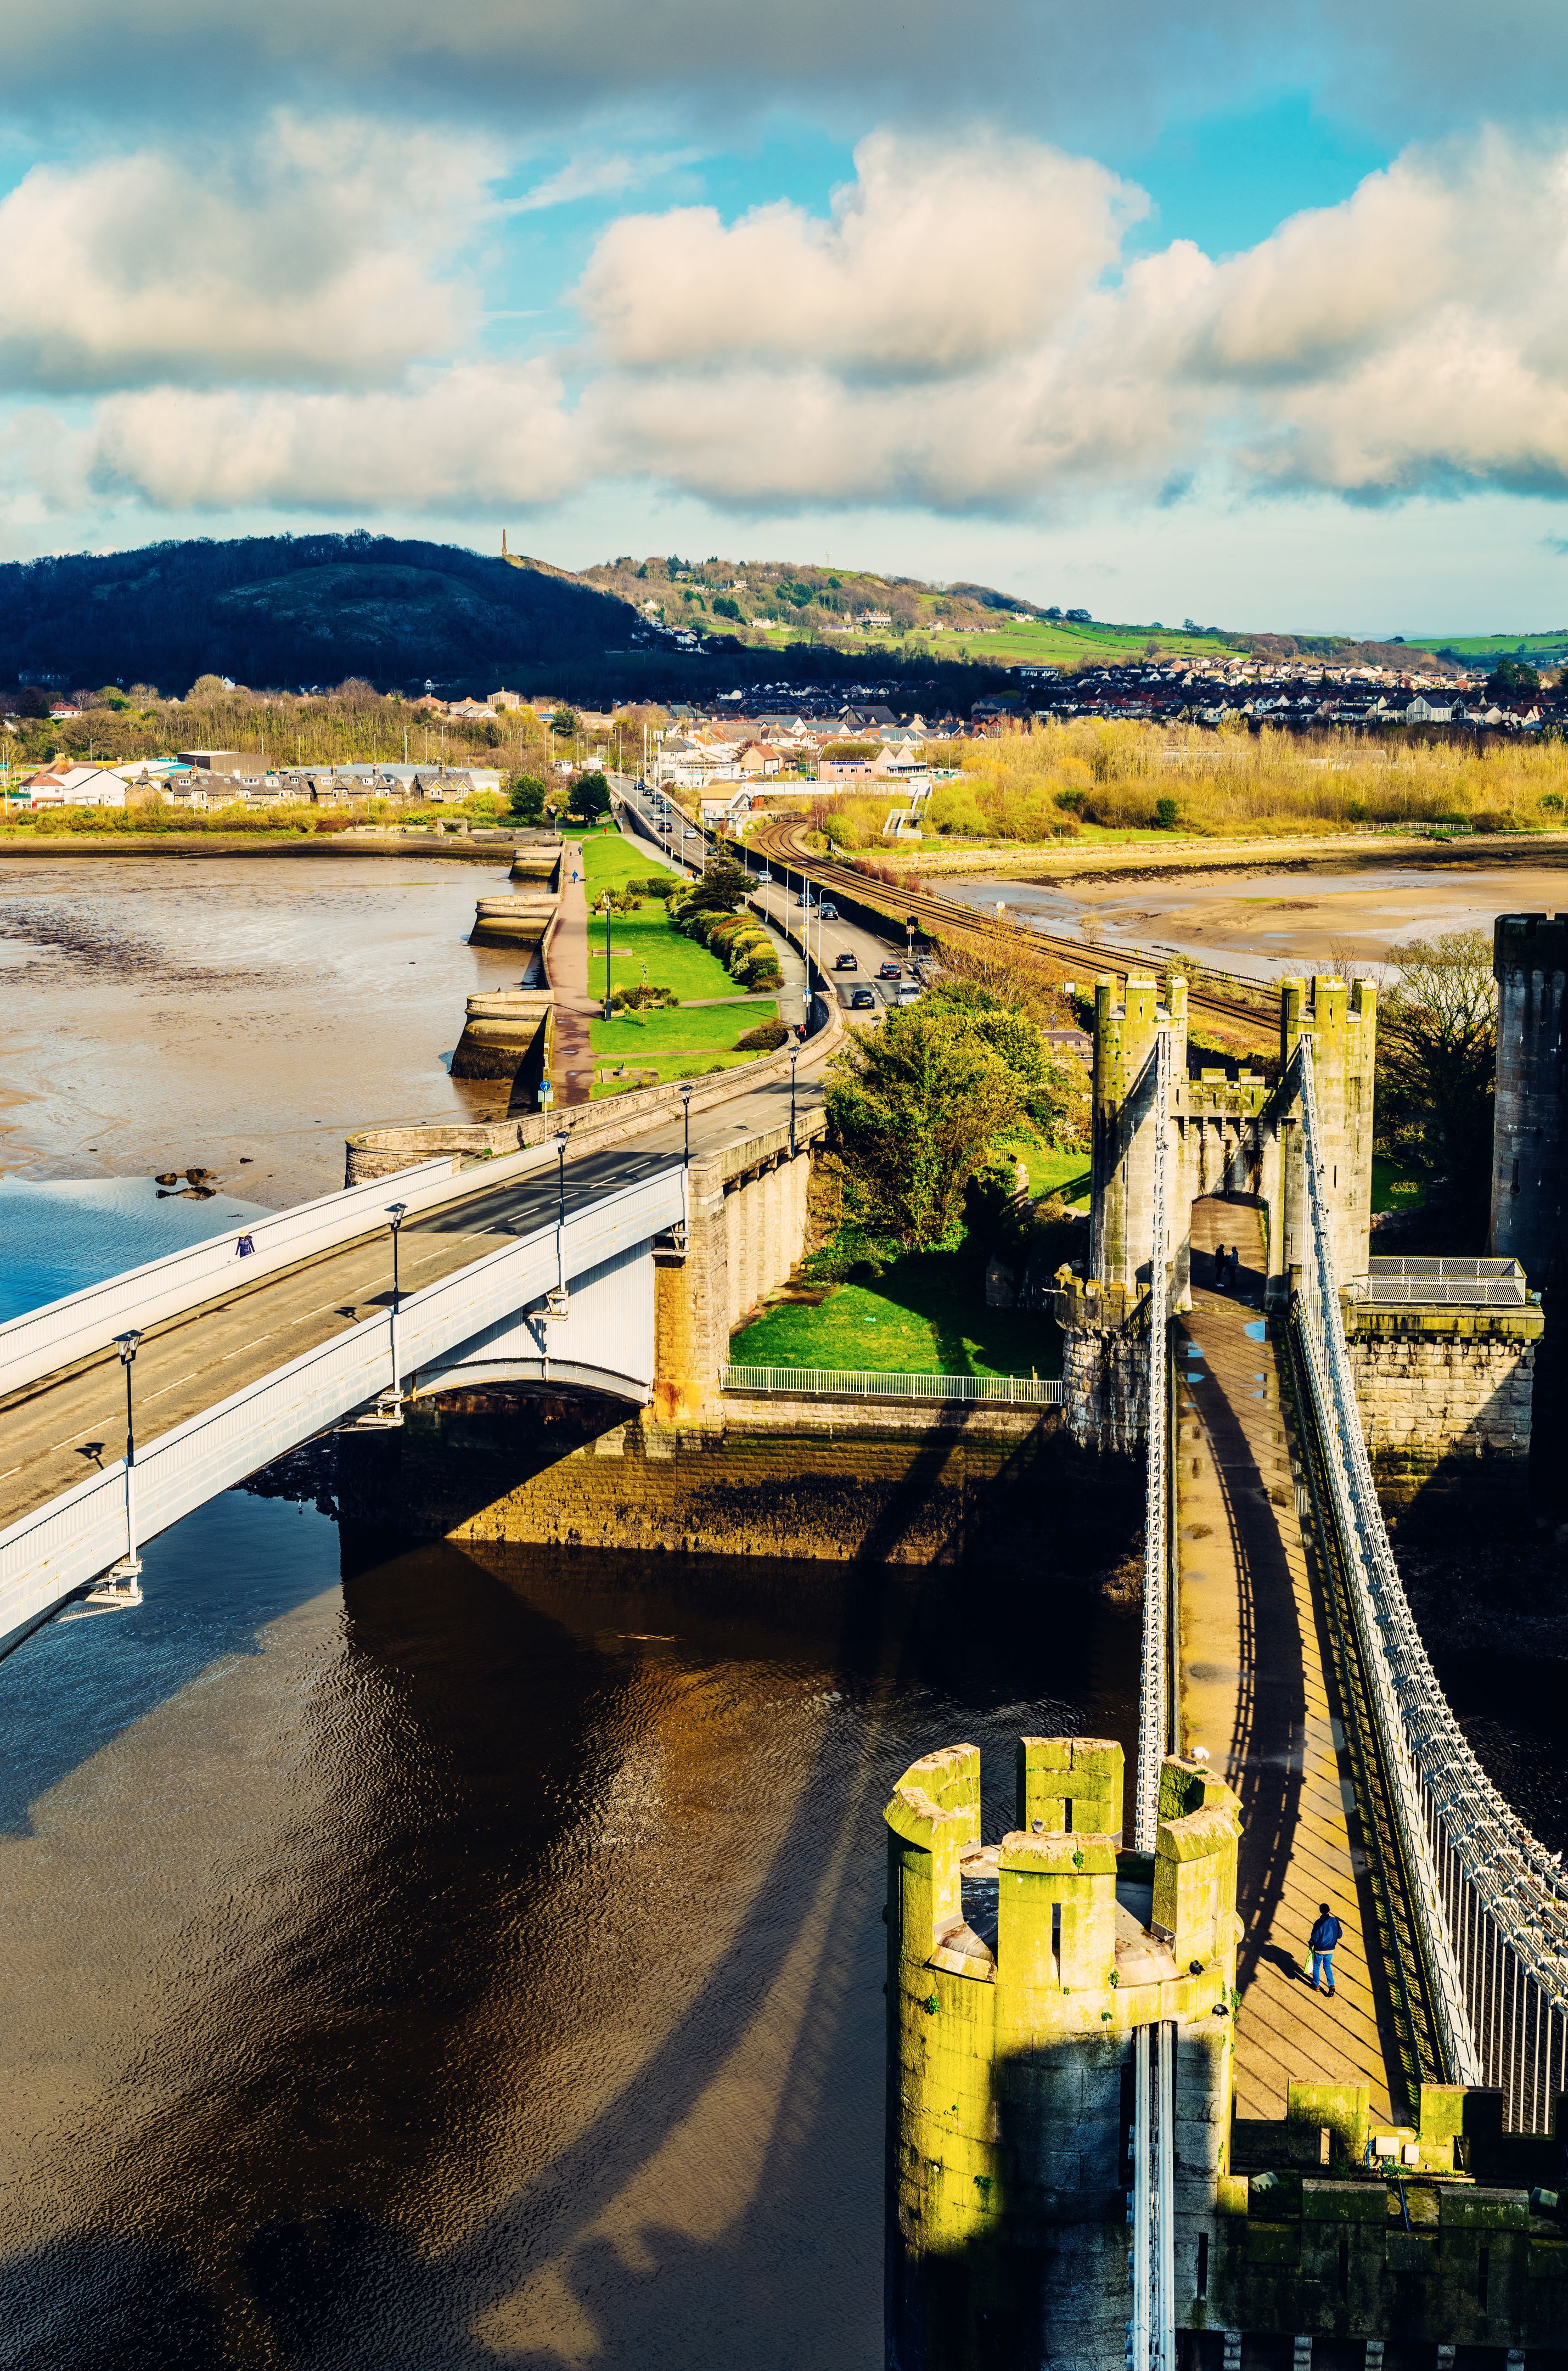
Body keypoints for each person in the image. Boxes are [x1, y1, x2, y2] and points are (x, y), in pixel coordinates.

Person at [1308, 1902, 1344, 1996]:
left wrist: (1311, 1943)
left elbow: (1315, 1936)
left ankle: (1316, 1986)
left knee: (1316, 1966)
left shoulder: (1318, 1922)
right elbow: (1340, 1935)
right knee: (1327, 1966)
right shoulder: (1335, 1921)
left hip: (1319, 1949)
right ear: (1329, 1910)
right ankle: (1331, 1985)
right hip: (1331, 1949)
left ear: (1320, 1911)